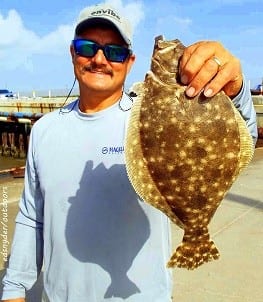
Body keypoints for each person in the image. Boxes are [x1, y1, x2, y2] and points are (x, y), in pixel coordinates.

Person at [1, 3, 257, 302]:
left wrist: (235, 87)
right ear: (72, 52)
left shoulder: (145, 114)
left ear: (131, 61)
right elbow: (33, 218)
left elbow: (243, 135)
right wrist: (14, 289)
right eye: (87, 47)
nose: (99, 59)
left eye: (115, 51)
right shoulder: (44, 130)